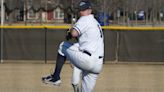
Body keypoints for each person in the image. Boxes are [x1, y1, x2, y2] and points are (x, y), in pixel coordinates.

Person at [42, 0, 104, 92]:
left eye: (84, 9)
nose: (81, 12)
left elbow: (74, 33)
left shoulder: (85, 19)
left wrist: (70, 33)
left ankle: (56, 77)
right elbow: (84, 41)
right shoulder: (96, 23)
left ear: (90, 10)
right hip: (97, 65)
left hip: (87, 59)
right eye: (80, 10)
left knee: (62, 46)